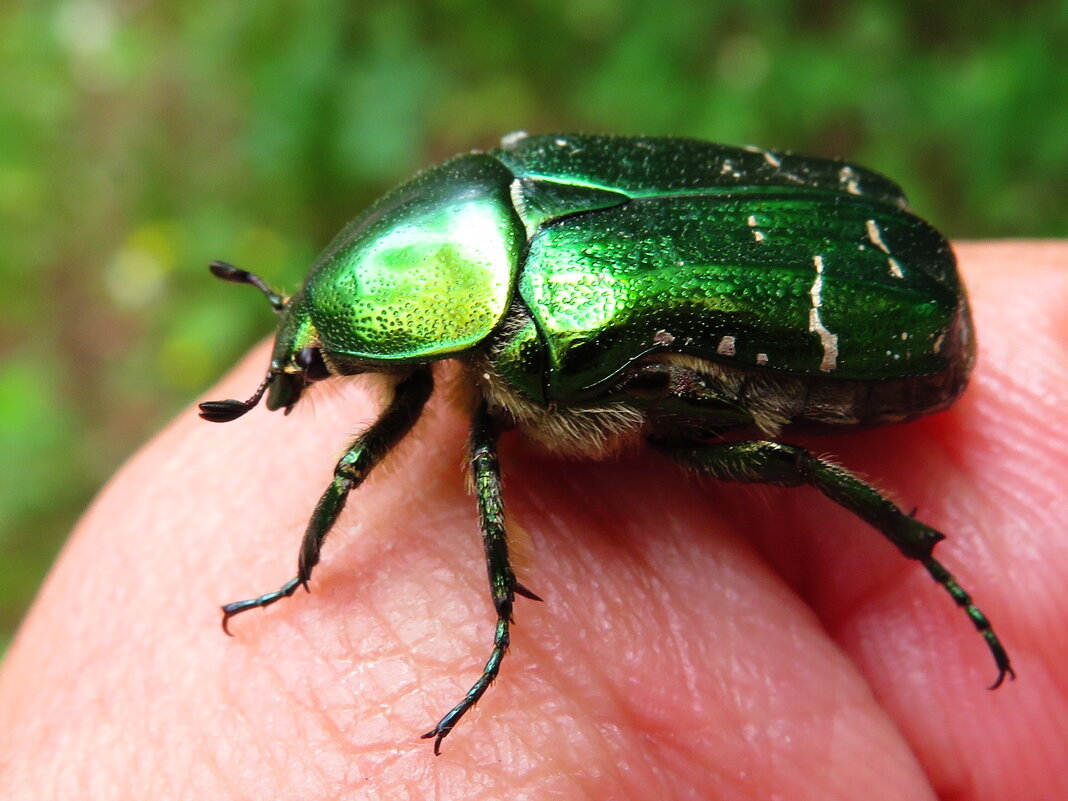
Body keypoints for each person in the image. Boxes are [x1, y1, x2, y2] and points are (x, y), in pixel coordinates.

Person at [1, 243, 1064, 799]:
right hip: (872, 253)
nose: (305, 374)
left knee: (775, 460)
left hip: (884, 332)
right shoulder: (479, 226)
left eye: (321, 351)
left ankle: (927, 559)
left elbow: (378, 467)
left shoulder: (514, 348)